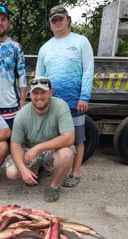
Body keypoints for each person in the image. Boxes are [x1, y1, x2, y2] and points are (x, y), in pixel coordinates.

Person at [35, 5, 94, 187]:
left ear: (68, 20)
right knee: (51, 137)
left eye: (61, 19)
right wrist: (39, 101)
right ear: (50, 25)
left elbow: (88, 70)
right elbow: (39, 77)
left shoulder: (81, 41)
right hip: (51, 103)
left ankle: (75, 174)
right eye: (54, 20)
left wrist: (84, 97)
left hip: (75, 102)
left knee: (78, 138)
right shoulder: (45, 48)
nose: (58, 22)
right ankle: (50, 168)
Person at [6, 77, 75, 202]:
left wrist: (38, 148)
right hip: (30, 150)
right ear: (30, 94)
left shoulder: (61, 106)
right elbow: (15, 145)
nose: (39, 97)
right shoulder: (22, 115)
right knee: (11, 173)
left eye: (43, 92)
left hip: (52, 149)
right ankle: (36, 169)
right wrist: (23, 169)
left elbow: (69, 138)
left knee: (66, 154)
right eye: (35, 93)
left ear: (50, 92)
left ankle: (54, 186)